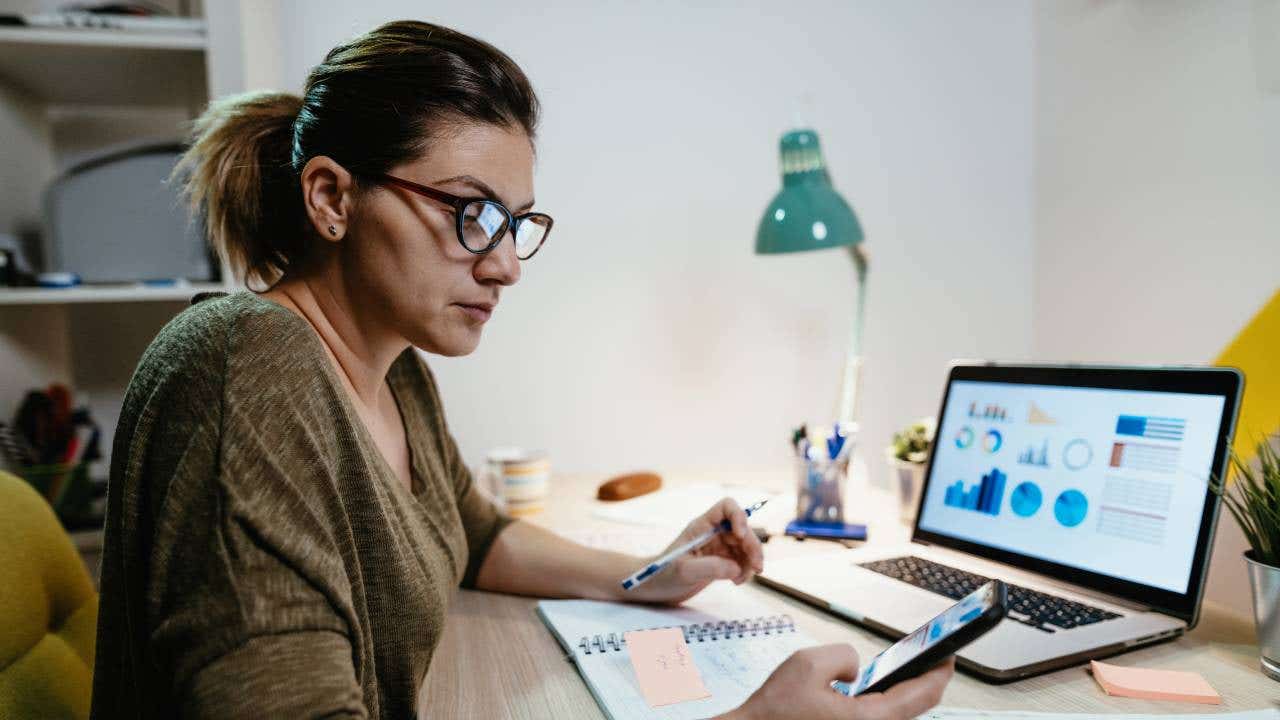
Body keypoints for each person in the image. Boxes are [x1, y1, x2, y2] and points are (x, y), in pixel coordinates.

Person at [89, 19, 953, 719]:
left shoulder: (394, 369)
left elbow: (470, 534)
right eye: (471, 215)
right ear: (332, 197)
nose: (506, 266)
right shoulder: (246, 364)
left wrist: (654, 574)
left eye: (515, 224)